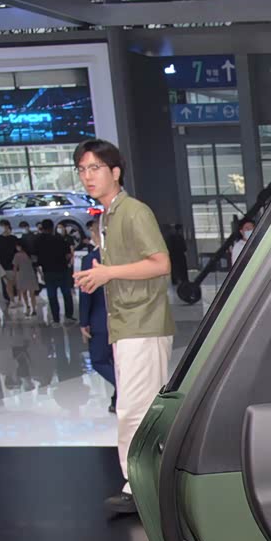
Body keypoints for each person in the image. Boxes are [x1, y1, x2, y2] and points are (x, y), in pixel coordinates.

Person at [72, 138, 174, 517]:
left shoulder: (133, 212)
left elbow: (160, 263)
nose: (87, 176)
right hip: (126, 323)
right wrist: (100, 278)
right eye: (82, 169)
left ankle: (139, 487)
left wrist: (108, 273)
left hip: (142, 322)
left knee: (135, 410)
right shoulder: (108, 217)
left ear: (115, 172)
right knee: (137, 408)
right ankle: (145, 484)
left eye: (94, 168)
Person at [78, 219, 115, 413]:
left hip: (101, 318)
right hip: (123, 317)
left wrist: (83, 321)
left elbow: (86, 293)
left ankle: (123, 390)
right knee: (117, 360)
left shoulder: (91, 259)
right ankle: (118, 399)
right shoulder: (123, 257)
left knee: (99, 360)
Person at [34, 219, 76, 323]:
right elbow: (68, 254)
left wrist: (40, 271)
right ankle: (69, 315)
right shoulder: (59, 239)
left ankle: (56, 318)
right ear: (52, 227)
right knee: (66, 294)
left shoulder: (38, 241)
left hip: (48, 272)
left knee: (52, 296)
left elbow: (35, 257)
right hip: (62, 270)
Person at [0, 219, 20, 303]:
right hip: (3, 265)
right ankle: (12, 300)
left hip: (14, 265)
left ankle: (18, 299)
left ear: (7, 226)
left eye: (3, 226)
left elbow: (17, 252)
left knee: (16, 283)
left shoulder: (14, 238)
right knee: (8, 284)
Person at [13, 246, 39, 316]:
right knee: (32, 294)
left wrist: (14, 276)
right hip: (30, 274)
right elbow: (36, 264)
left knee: (24, 292)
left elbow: (15, 266)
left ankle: (27, 306)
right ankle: (34, 309)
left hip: (22, 274)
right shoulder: (31, 255)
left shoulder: (17, 255)